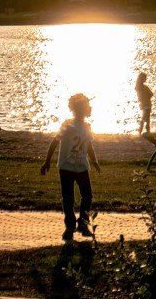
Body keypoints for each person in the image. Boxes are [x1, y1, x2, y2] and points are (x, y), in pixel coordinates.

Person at [41, 92, 101, 241]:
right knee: (68, 198)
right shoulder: (67, 125)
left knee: (87, 195)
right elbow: (55, 142)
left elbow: (89, 146)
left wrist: (94, 161)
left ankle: (82, 224)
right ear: (80, 108)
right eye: (87, 105)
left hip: (81, 166)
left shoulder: (87, 126)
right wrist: (47, 161)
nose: (90, 108)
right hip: (66, 167)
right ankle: (69, 227)